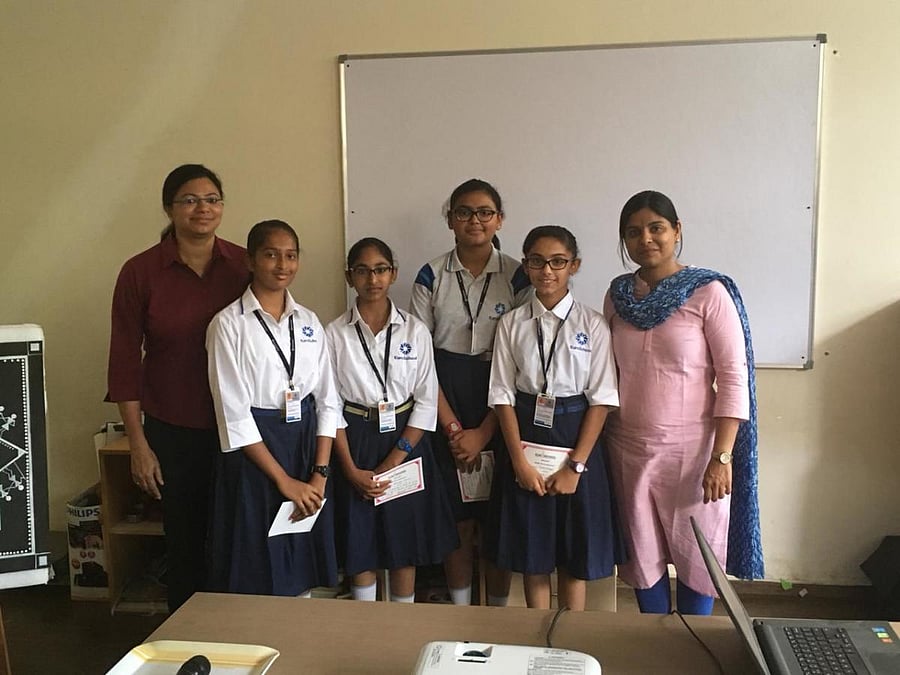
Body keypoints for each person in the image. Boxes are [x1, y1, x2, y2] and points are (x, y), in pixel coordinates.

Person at [603, 190, 762, 616]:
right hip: (628, 449)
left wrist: (722, 456)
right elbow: (607, 375)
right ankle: (656, 647)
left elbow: (733, 378)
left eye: (657, 228)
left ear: (677, 231)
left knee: (698, 556)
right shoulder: (619, 296)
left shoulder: (709, 293)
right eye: (634, 232)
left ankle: (695, 649)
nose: (646, 239)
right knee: (641, 554)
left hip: (693, 452)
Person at [106, 164, 248, 611]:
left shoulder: (245, 264)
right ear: (170, 208)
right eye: (190, 200)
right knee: (185, 539)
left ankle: (238, 631)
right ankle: (188, 637)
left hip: (242, 427)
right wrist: (138, 443)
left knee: (237, 535)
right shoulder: (140, 272)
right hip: (174, 428)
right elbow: (125, 363)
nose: (202, 209)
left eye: (212, 199)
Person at [485, 225, 621, 610]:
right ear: (525, 266)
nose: (547, 271)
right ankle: (537, 636)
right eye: (537, 261)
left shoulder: (593, 324)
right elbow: (502, 397)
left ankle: (569, 641)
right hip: (526, 436)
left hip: (577, 440)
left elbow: (602, 400)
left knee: (573, 552)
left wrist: (575, 467)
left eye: (558, 262)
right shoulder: (511, 324)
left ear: (573, 266)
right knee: (533, 553)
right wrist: (518, 463)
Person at [409, 178, 530, 606]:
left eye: (484, 213)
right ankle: (460, 610)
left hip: (502, 396)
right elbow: (420, 359)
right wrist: (455, 428)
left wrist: (482, 431)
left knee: (498, 515)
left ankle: (497, 612)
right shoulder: (431, 274)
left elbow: (520, 360)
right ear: (450, 220)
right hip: (444, 394)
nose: (474, 221)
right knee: (456, 516)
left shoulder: (519, 273)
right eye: (463, 212)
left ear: (499, 220)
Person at [205, 219, 340, 597]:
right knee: (255, 560)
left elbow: (329, 401)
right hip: (256, 457)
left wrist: (319, 474)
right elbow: (233, 414)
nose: (283, 265)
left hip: (304, 448)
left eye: (291, 255)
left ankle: (300, 637)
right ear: (250, 261)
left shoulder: (310, 322)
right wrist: (284, 481)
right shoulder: (228, 325)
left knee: (299, 554)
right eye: (271, 255)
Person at [326, 237, 458, 602]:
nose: (373, 279)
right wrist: (350, 468)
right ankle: (364, 624)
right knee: (361, 541)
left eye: (381, 269)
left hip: (405, 442)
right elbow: (329, 405)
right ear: (350, 276)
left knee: (405, 545)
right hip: (354, 441)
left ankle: (402, 624)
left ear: (393, 273)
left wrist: (393, 459)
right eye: (363, 271)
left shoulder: (415, 331)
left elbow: (427, 402)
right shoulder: (333, 334)